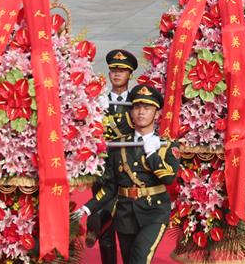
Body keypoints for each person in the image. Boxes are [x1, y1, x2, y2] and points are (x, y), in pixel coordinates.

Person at [74, 85, 178, 264]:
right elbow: (110, 186)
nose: (141, 112)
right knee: (130, 259)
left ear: (157, 114)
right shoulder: (118, 146)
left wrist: (152, 154)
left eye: (147, 108)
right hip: (125, 214)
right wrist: (87, 208)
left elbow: (169, 178)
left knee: (139, 256)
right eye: (137, 107)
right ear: (131, 112)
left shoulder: (166, 145)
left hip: (154, 212)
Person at [87, 49, 139, 264]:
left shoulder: (138, 102)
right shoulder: (99, 102)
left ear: (130, 75)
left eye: (122, 71)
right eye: (113, 71)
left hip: (128, 169)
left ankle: (95, 224)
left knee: (127, 228)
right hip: (104, 168)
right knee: (106, 235)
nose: (117, 75)